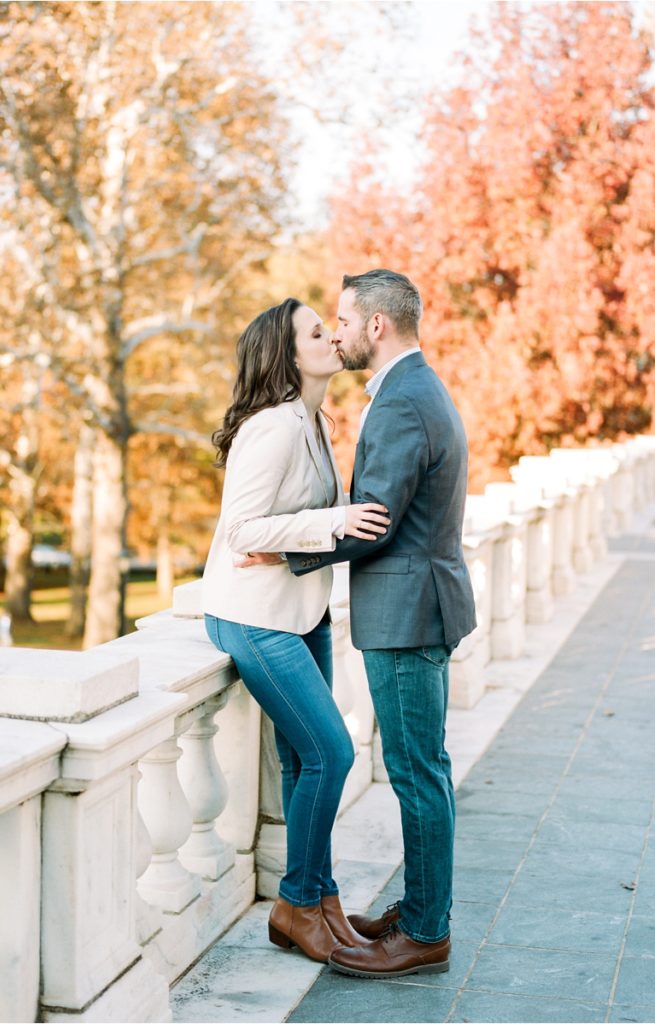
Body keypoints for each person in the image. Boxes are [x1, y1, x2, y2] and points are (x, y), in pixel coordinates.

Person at [242, 270, 476, 979]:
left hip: (406, 615)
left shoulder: (401, 403)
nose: (336, 333)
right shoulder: (413, 390)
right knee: (420, 767)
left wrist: (282, 548)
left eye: (342, 320)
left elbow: (374, 522)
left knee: (414, 772)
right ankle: (422, 907)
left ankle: (427, 932)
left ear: (376, 325)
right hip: (415, 606)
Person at [201, 297, 390, 963]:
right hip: (252, 617)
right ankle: (296, 902)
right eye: (316, 331)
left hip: (301, 610)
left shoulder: (313, 422)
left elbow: (295, 524)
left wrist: (330, 521)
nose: (331, 336)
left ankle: (320, 901)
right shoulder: (274, 427)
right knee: (332, 753)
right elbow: (241, 533)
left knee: (299, 759)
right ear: (288, 356)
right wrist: (333, 523)